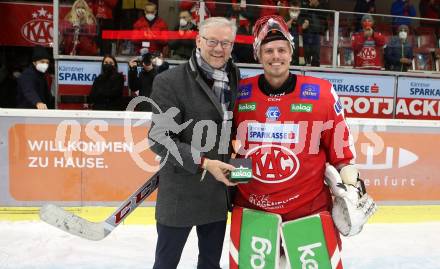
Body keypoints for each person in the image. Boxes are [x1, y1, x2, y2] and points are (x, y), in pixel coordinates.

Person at [232, 15, 374, 262]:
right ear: (258, 55)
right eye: (268, 50)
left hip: (308, 212)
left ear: (290, 53)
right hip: (253, 213)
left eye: (281, 49)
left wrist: (352, 187)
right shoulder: (241, 93)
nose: (275, 56)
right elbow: (235, 149)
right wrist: (241, 185)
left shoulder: (321, 93)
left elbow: (342, 155)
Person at [147, 17, 240, 269]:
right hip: (180, 191)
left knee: (210, 264)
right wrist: (202, 161)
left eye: (226, 43)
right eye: (212, 41)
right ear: (199, 41)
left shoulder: (234, 75)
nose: (219, 49)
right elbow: (159, 138)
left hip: (216, 192)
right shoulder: (170, 81)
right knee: (166, 263)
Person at [301, 0, 328, 66]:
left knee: (316, 51)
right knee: (307, 50)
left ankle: (315, 66)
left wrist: (324, 30)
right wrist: (310, 6)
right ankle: (306, 64)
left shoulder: (322, 7)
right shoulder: (305, 6)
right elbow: (302, 14)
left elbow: (324, 17)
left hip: (317, 32)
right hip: (307, 32)